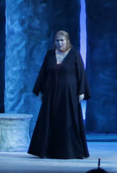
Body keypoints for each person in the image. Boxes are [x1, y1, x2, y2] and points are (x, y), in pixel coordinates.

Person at [29, 30, 90, 159]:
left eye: (62, 40)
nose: (59, 43)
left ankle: (69, 151)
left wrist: (81, 91)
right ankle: (47, 150)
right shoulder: (50, 54)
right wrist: (40, 90)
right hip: (51, 94)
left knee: (68, 120)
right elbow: (43, 73)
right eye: (57, 41)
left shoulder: (74, 54)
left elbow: (81, 73)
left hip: (69, 95)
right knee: (49, 120)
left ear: (67, 41)